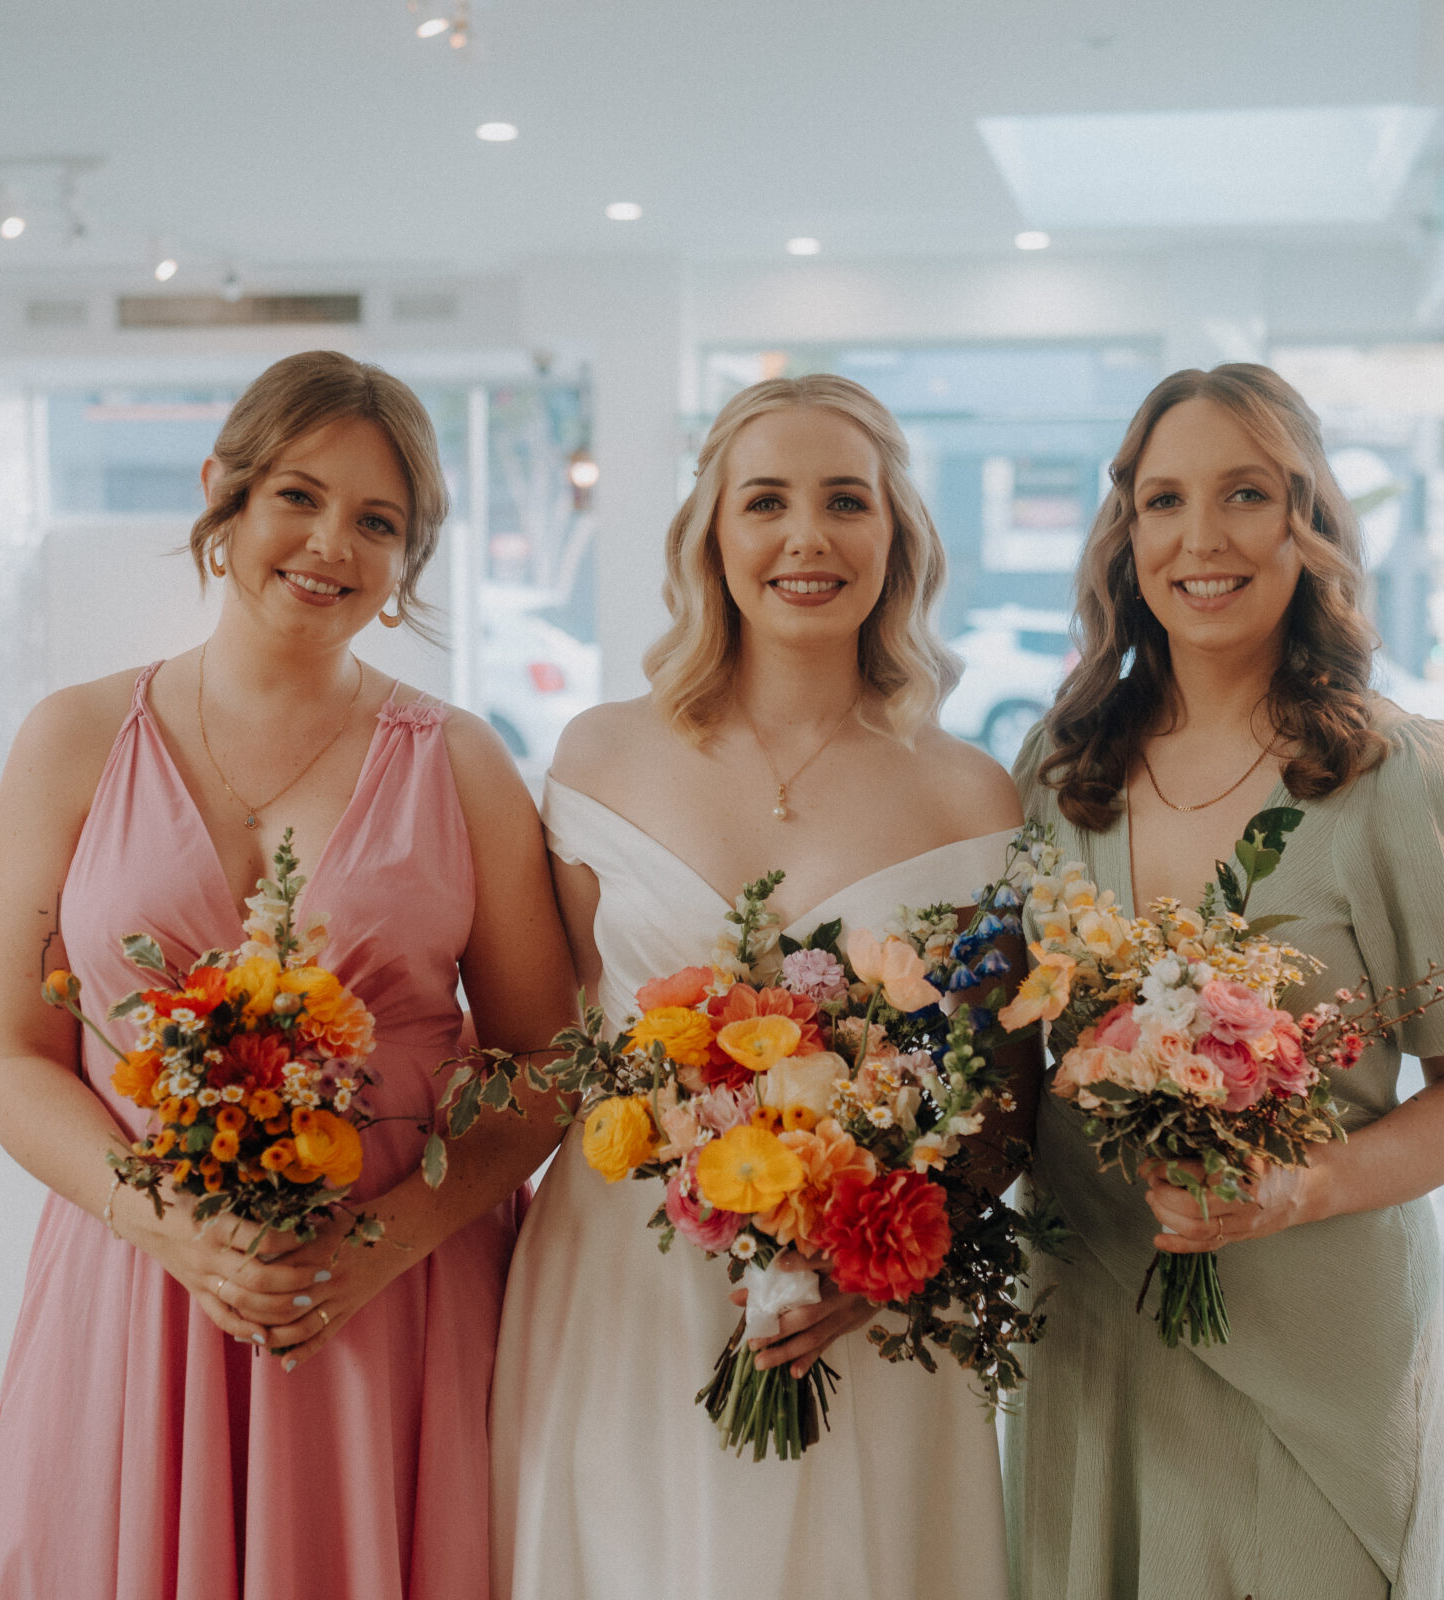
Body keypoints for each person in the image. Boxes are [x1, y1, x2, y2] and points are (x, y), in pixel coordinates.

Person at [0, 350, 575, 1600]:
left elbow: (542, 1068)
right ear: (223, 497)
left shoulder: (464, 763)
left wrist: (379, 1246)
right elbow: (13, 1053)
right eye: (297, 496)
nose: (328, 543)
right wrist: (174, 1233)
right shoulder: (72, 739)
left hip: (393, 1297)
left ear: (410, 560)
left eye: (378, 521)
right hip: (137, 1287)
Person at [1004, 364, 1444, 1600]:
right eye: (1164, 501)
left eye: (1246, 494)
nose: (1202, 538)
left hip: (1315, 1328)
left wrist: (1302, 1187)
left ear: (1307, 524)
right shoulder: (1057, 765)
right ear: (1126, 534)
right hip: (1093, 1303)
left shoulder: (1404, 777)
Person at [491, 374, 1026, 1600]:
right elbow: (564, 1034)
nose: (807, 538)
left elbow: (1002, 1100)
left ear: (897, 539)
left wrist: (868, 1261)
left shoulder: (972, 795)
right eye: (766, 501)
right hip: (624, 1283)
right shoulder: (599, 752)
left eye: (848, 502)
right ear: (712, 534)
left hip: (865, 1307)